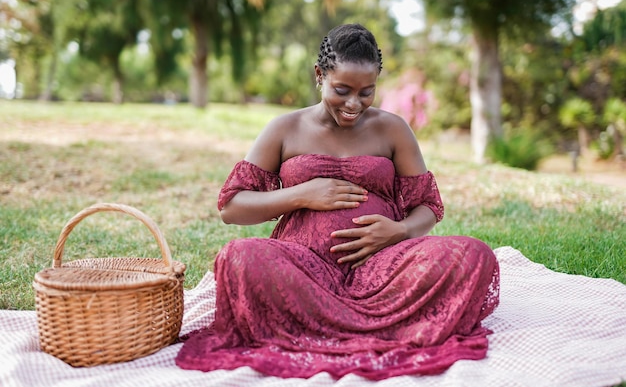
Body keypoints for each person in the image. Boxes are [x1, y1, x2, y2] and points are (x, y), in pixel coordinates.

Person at [175, 23, 500, 380]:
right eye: (342, 90)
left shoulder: (392, 130)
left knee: (474, 255)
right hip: (303, 267)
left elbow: (428, 207)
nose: (353, 104)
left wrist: (400, 230)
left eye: (367, 92)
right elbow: (231, 207)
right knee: (239, 257)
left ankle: (322, 327)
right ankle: (376, 328)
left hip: (384, 269)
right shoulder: (285, 128)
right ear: (320, 75)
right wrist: (302, 194)